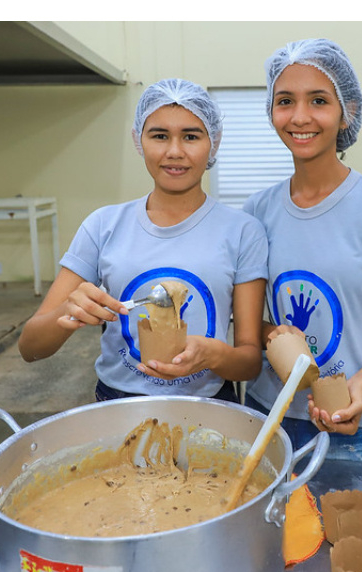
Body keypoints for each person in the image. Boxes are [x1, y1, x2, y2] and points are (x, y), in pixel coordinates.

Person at [18, 79, 267, 403]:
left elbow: (249, 362)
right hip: (117, 403)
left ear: (213, 144)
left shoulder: (242, 231)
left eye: (191, 136)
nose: (174, 151)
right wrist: (69, 312)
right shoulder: (103, 226)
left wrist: (212, 355)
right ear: (139, 140)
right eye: (159, 136)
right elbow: (30, 348)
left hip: (210, 404)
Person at [244, 39, 362, 467]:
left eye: (319, 100)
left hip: (347, 418)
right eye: (285, 101)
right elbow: (248, 321)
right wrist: (276, 337)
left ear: (348, 111)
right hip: (266, 414)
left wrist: (360, 385)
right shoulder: (256, 212)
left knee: (344, 533)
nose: (300, 116)